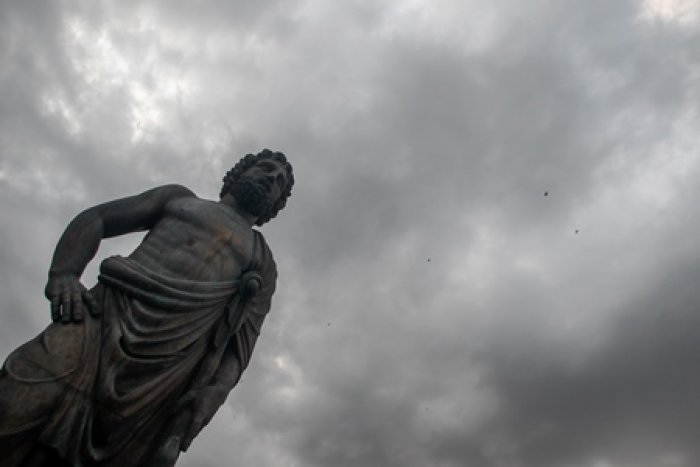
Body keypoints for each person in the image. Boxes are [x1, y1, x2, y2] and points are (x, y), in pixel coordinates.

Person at [0, 149, 294, 466]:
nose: (270, 179)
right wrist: (64, 274)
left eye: (279, 182)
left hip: (166, 368)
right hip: (101, 316)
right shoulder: (179, 199)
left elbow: (240, 346)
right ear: (240, 171)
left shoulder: (261, 261)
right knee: (17, 402)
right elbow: (97, 218)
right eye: (265, 168)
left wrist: (216, 392)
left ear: (276, 205)